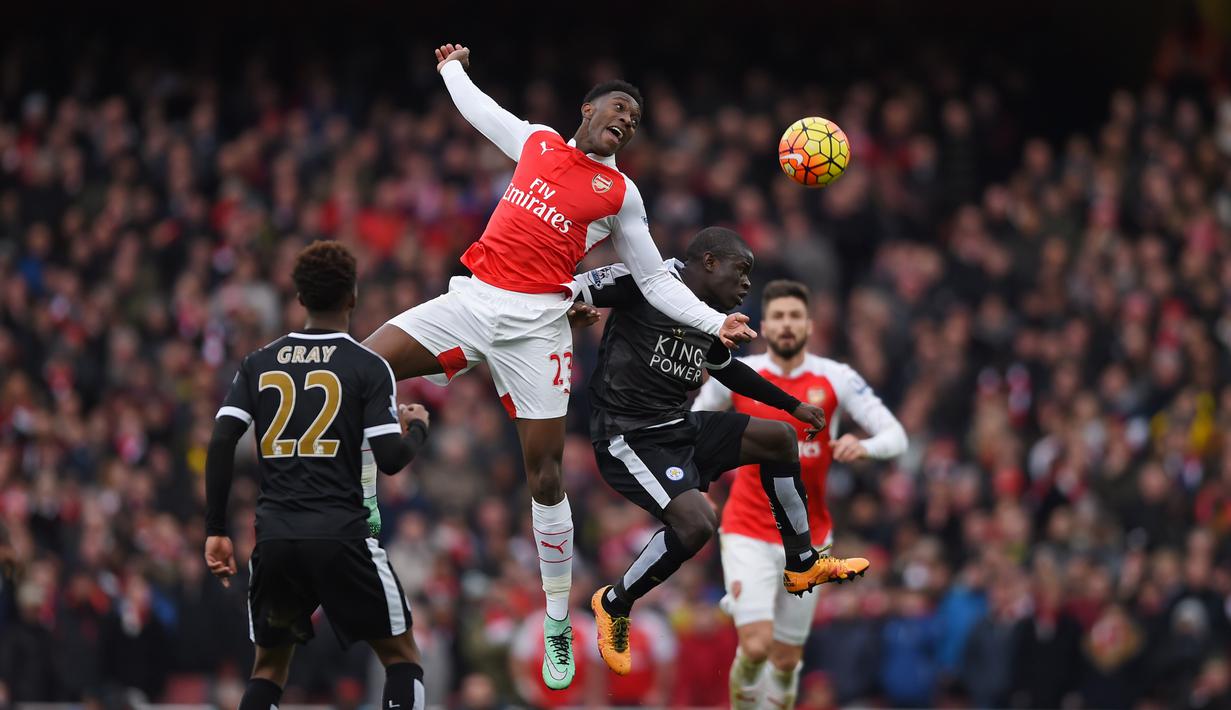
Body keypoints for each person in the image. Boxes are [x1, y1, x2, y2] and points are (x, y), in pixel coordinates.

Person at [362, 43, 755, 689]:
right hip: (473, 299)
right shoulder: (540, 142)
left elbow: (653, 279)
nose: (626, 120)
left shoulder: (619, 192)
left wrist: (715, 323)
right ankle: (366, 489)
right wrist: (450, 68)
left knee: (544, 476)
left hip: (538, 328)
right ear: (589, 109)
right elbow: (482, 113)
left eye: (634, 117)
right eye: (618, 107)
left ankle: (554, 622)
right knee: (361, 365)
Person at [572, 227, 870, 677]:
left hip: (678, 427)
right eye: (741, 269)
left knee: (779, 438)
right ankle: (614, 604)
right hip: (628, 435)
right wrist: (569, 307)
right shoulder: (647, 279)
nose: (747, 282)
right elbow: (574, 287)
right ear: (709, 262)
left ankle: (802, 563)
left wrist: (793, 406)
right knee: (697, 524)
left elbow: (728, 370)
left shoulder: (706, 316)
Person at [204, 241, 432, 710]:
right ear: (352, 297)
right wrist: (418, 431)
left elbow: (222, 441)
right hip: (342, 537)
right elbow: (390, 458)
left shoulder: (258, 362)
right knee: (402, 658)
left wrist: (215, 531)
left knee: (268, 670)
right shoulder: (369, 366)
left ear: (300, 298)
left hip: (276, 538)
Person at [692, 279, 908, 710]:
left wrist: (864, 446)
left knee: (787, 661)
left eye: (794, 317)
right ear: (764, 326)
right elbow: (692, 428)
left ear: (809, 325)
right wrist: (693, 485)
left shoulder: (836, 378)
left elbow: (896, 436)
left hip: (810, 539)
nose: (786, 325)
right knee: (755, 647)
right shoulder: (737, 374)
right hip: (747, 528)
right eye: (778, 317)